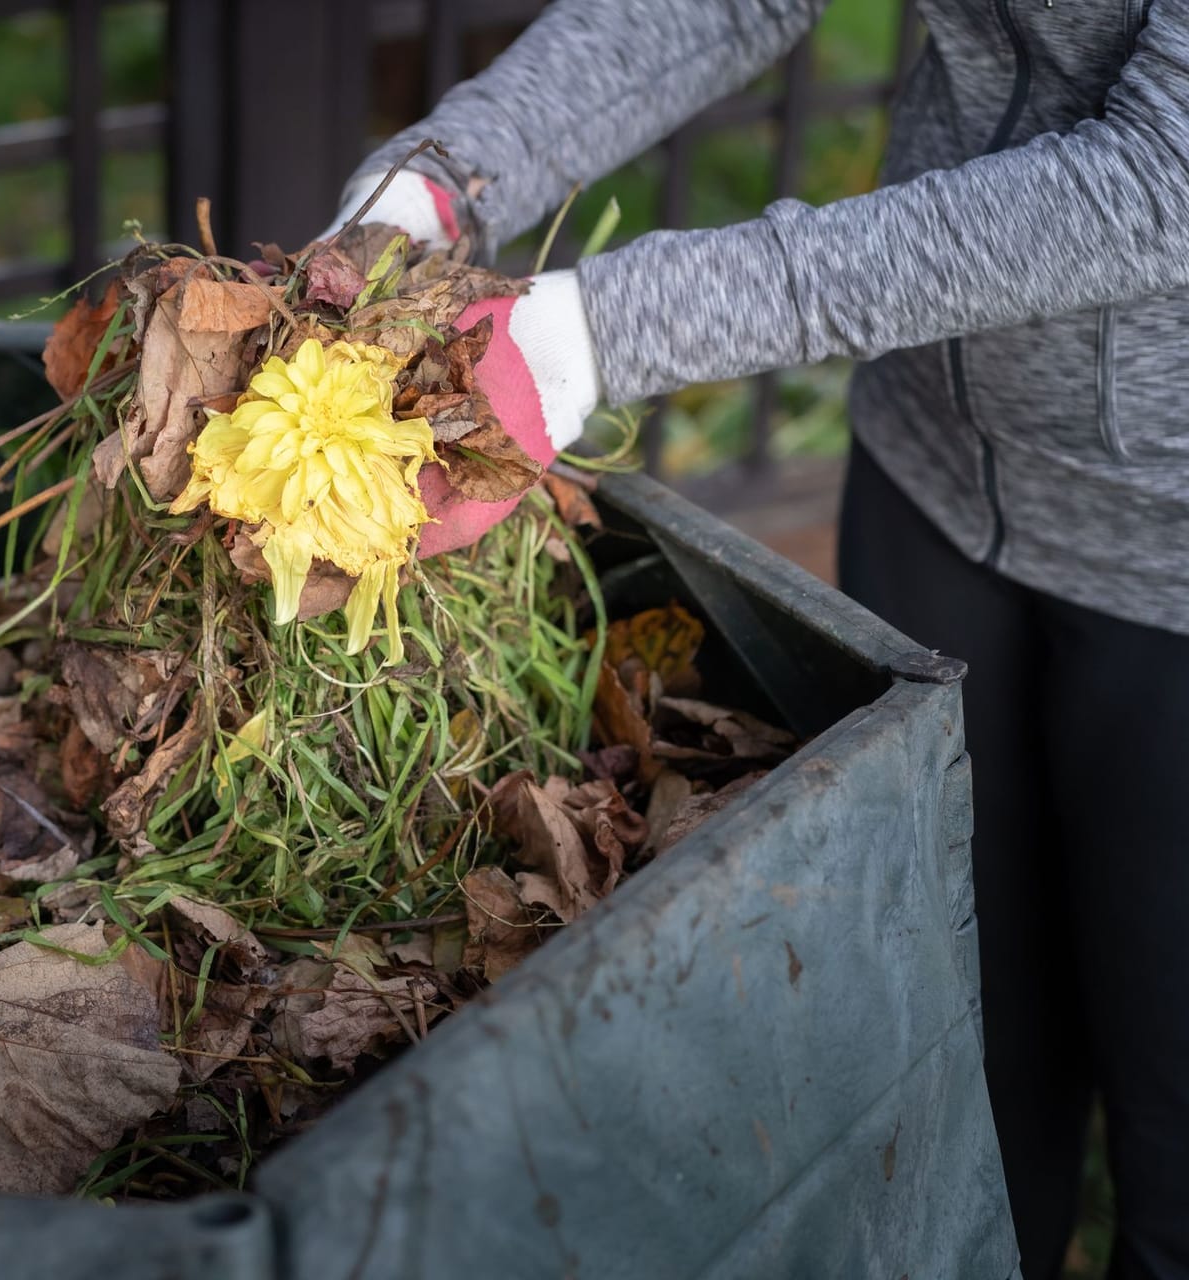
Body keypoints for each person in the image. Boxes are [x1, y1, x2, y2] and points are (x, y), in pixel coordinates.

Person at [321, 4, 1189, 1278]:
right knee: (962, 1054)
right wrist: (448, 180)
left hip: (1172, 559)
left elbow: (1161, 181)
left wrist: (596, 334)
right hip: (932, 475)